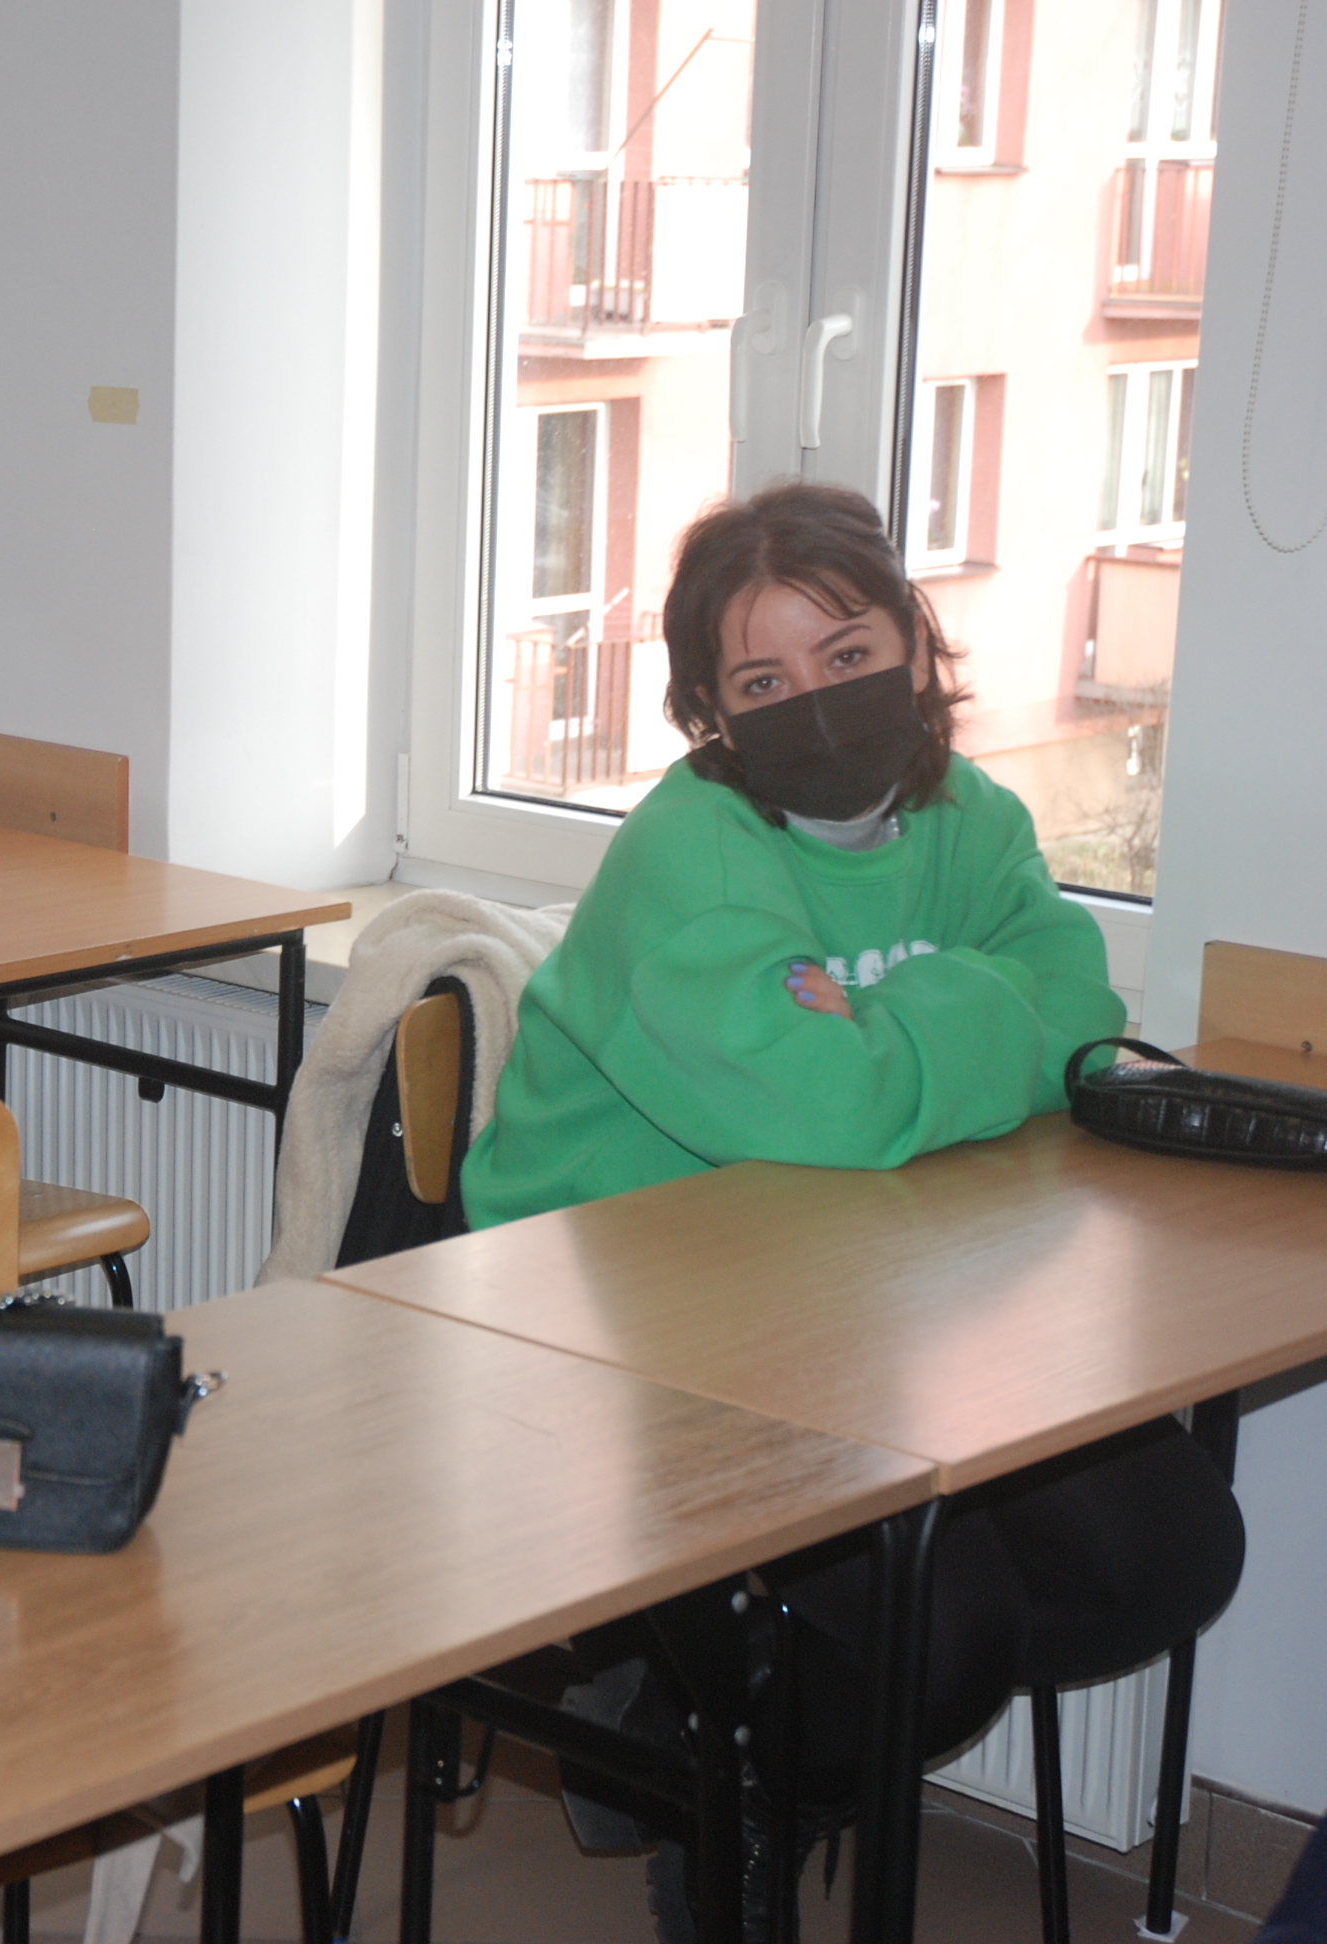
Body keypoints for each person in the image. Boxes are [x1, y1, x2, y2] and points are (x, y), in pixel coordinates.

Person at [462, 484, 1242, 1934]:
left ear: (911, 642)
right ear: (709, 711)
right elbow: (829, 1110)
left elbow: (1080, 1022)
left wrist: (898, 1046)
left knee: (1168, 1552)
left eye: (846, 654)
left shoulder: (968, 817)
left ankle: (703, 1718)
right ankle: (727, 1774)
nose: (815, 703)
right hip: (610, 1307)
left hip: (862, 1279)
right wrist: (969, 1006)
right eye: (761, 682)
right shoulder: (693, 851)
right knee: (944, 1633)